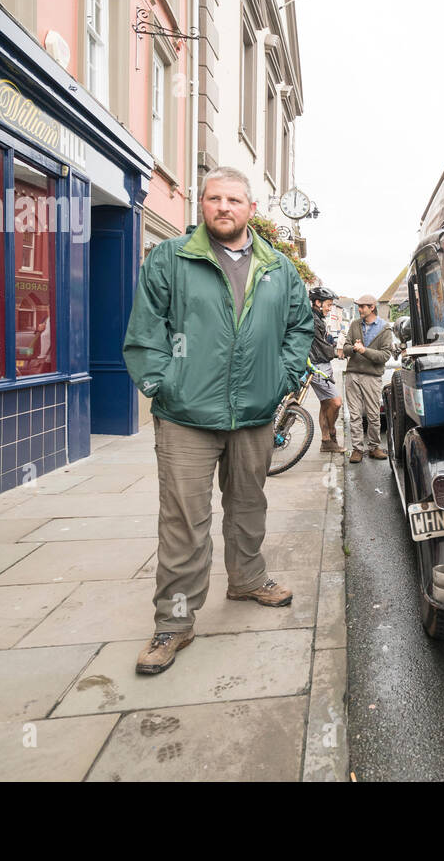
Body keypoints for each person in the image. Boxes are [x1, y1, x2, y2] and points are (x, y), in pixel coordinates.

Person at [122, 166, 313, 675]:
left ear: (252, 209)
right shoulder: (171, 258)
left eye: (233, 199)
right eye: (213, 199)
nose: (223, 207)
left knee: (249, 503)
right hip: (186, 416)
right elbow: (146, 333)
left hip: (253, 412)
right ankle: (175, 621)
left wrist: (282, 376)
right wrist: (164, 385)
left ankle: (248, 579)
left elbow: (300, 326)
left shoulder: (278, 269)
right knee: (185, 520)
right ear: (201, 206)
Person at [343, 293, 394, 463]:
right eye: (358, 306)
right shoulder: (354, 324)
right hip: (352, 374)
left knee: (373, 414)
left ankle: (374, 447)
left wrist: (364, 350)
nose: (359, 309)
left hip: (372, 376)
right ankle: (357, 449)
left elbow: (385, 355)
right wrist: (354, 349)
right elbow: (346, 347)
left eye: (362, 306)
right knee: (355, 414)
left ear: (372, 307)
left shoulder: (385, 329)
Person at [308, 285, 345, 451]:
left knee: (325, 404)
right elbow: (322, 347)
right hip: (317, 366)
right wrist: (339, 352)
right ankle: (331, 432)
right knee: (336, 402)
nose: (330, 309)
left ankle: (326, 442)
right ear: (318, 302)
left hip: (322, 365)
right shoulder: (312, 320)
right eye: (328, 305)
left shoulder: (318, 319)